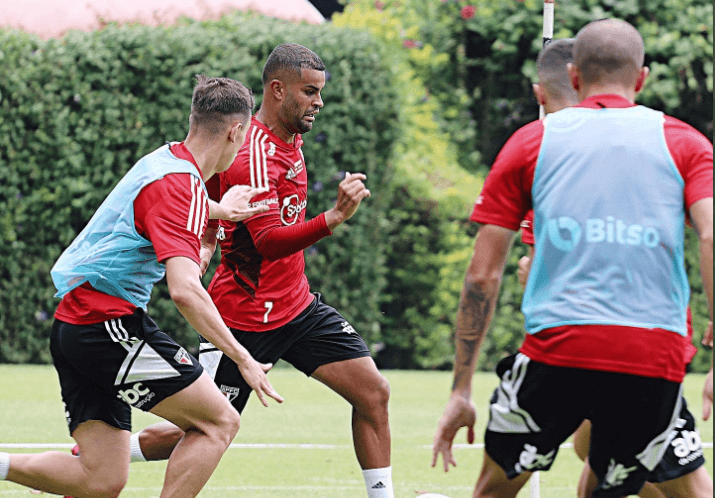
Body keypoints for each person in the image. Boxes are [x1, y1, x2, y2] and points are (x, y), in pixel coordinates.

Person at [432, 18, 713, 498]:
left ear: (575, 78)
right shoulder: (686, 142)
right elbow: (710, 233)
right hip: (653, 356)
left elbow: (482, 276)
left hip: (558, 349)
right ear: (642, 78)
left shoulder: (532, 142)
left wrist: (461, 389)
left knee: (493, 492)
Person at [127, 43, 395, 498]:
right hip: (243, 318)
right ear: (277, 90)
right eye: (309, 92)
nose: (319, 102)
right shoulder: (250, 153)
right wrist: (333, 218)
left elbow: (217, 207)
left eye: (319, 92)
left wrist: (210, 238)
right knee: (203, 428)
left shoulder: (289, 138)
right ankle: (97, 458)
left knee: (373, 393)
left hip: (298, 308)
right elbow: (268, 242)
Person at [0, 75, 283, 498]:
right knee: (219, 421)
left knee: (101, 479)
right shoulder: (180, 187)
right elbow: (185, 290)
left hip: (77, 325)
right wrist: (241, 356)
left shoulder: (166, 162)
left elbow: (174, 218)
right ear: (235, 131)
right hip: (106, 323)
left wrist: (218, 212)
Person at [517, 37, 713, 498]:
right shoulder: (545, 155)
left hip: (642, 338)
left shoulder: (633, 146)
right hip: (594, 335)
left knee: (671, 477)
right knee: (597, 449)